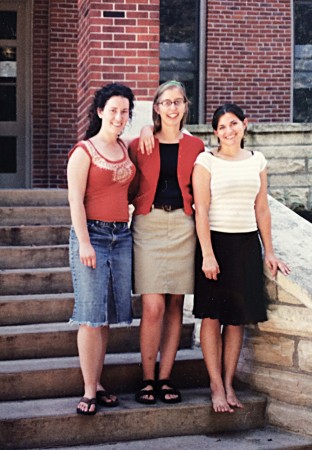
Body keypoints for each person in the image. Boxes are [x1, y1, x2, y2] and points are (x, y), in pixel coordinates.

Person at [192, 103, 290, 414]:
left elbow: (262, 208)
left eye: (233, 124)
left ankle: (230, 381)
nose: (229, 131)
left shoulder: (257, 161)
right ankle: (215, 385)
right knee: (212, 316)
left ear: (245, 125)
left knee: (236, 321)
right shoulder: (206, 161)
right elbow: (202, 210)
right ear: (215, 132)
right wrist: (207, 253)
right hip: (215, 245)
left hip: (247, 245)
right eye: (222, 127)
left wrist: (269, 251)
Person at [129, 80, 205, 404]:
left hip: (184, 227)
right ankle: (147, 378)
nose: (172, 107)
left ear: (186, 107)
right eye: (166, 102)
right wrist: (147, 129)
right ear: (157, 107)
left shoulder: (197, 147)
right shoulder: (140, 144)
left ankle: (165, 378)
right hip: (149, 225)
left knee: (175, 305)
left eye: (178, 102)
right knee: (153, 305)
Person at [67, 83, 136, 415]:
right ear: (99, 112)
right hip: (92, 236)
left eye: (124, 111)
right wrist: (83, 242)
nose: (119, 117)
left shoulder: (126, 148)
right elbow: (75, 201)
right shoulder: (84, 151)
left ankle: (99, 382)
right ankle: (89, 389)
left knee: (106, 317)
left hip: (121, 238)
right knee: (91, 316)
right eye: (113, 110)